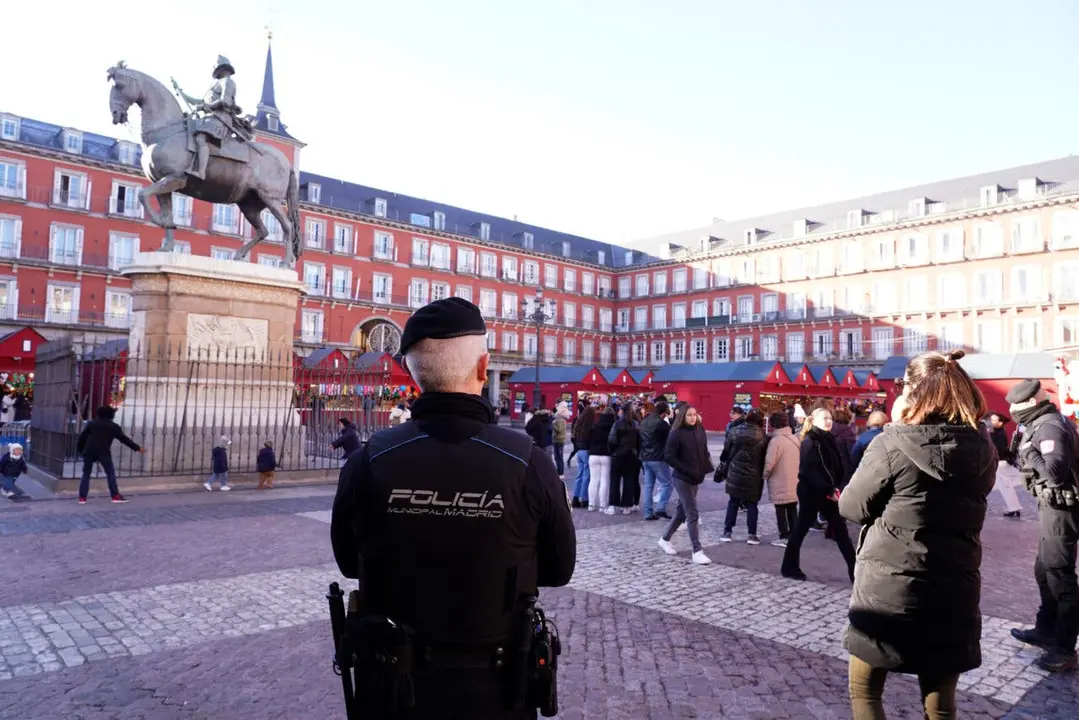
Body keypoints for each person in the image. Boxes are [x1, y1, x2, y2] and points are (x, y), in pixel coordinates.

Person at [330, 298, 575, 718]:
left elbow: (350, 563)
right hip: (495, 690)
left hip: (393, 688)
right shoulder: (527, 460)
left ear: (410, 372)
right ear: (483, 368)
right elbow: (558, 569)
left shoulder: (368, 460)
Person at [839, 349, 996, 719]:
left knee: (865, 690)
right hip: (954, 583)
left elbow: (851, 507)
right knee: (941, 699)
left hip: (889, 589)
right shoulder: (982, 447)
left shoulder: (891, 443)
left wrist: (896, 427)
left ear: (913, 393)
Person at [1006, 378, 1079, 672]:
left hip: (1062, 510)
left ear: (1031, 404)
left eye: (1017, 406)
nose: (1012, 411)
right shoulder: (1041, 422)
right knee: (1044, 570)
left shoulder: (1049, 426)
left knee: (1060, 576)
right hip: (1052, 509)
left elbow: (1055, 470)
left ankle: (1064, 649)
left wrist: (1028, 452)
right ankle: (1045, 629)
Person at [781, 407, 857, 582]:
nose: (828, 421)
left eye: (830, 418)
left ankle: (855, 573)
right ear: (813, 421)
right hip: (811, 492)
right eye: (824, 418)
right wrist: (829, 489)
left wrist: (835, 486)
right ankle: (789, 566)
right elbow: (810, 470)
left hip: (826, 491)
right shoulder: (811, 441)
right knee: (801, 529)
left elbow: (834, 467)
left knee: (841, 532)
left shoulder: (829, 439)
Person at [170, 56, 253, 180]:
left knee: (200, 138)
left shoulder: (227, 82)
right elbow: (197, 101)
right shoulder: (215, 85)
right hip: (211, 117)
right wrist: (181, 92)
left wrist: (205, 106)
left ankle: (201, 171)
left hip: (221, 119)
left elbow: (226, 101)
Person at [658, 405, 714, 565]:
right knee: (692, 513)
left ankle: (664, 539)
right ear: (682, 416)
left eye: (694, 414)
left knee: (682, 513)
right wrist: (685, 469)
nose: (692, 417)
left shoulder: (699, 430)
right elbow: (669, 456)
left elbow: (704, 451)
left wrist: (705, 467)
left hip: (695, 477)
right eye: (689, 415)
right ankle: (697, 551)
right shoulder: (675, 433)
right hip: (682, 478)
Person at [75, 406, 145, 504]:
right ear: (111, 415)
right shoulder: (113, 426)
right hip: (104, 451)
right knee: (110, 473)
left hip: (89, 451)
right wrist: (137, 448)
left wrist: (80, 450)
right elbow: (124, 439)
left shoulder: (91, 424)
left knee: (86, 474)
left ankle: (82, 498)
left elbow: (82, 438)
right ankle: (115, 495)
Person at [721, 408, 768, 545]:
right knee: (752, 504)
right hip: (754, 475)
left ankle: (727, 532)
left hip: (735, 473)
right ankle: (752, 535)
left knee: (733, 502)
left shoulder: (734, 431)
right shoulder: (764, 437)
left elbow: (725, 453)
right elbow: (765, 458)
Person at [763, 412, 800, 548]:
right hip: (794, 480)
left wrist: (764, 475)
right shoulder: (794, 438)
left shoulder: (775, 441)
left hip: (779, 480)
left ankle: (784, 536)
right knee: (792, 509)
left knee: (780, 510)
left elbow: (769, 463)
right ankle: (794, 536)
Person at [984, 411, 1023, 518]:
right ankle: (1014, 508)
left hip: (1000, 463)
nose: (990, 422)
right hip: (1000, 462)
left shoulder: (998, 434)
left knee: (1004, 486)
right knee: (1006, 486)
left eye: (993, 420)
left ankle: (1014, 508)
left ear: (1000, 423)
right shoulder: (995, 432)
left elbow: (998, 449)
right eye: (990, 419)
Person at [639, 401, 673, 521]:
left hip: (645, 457)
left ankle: (648, 513)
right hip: (658, 458)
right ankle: (660, 508)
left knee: (648, 486)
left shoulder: (644, 422)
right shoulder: (662, 424)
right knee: (668, 484)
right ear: (664, 412)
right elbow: (672, 437)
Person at [608, 403, 641, 516]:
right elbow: (639, 442)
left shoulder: (617, 424)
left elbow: (612, 441)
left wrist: (613, 451)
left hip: (618, 456)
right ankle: (626, 506)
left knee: (614, 481)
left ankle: (613, 506)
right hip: (632, 456)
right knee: (629, 481)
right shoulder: (636, 424)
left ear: (621, 411)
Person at [587, 406, 616, 513]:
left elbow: (588, 440)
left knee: (593, 480)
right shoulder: (613, 426)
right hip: (606, 455)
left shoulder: (595, 425)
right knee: (605, 480)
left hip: (593, 455)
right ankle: (603, 505)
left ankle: (591, 504)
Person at [569, 405, 595, 508]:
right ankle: (585, 499)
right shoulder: (589, 426)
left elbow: (573, 438)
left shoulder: (578, 424)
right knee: (586, 476)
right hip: (586, 451)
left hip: (579, 451)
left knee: (579, 475)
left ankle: (575, 498)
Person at [831, 405, 857, 489]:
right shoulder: (848, 433)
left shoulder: (827, 432)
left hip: (831, 471)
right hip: (845, 472)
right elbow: (853, 455)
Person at [551, 404, 569, 477]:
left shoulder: (560, 420)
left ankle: (561, 473)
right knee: (557, 457)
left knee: (559, 457)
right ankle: (559, 472)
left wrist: (553, 425)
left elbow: (560, 430)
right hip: (557, 440)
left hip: (559, 440)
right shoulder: (559, 419)